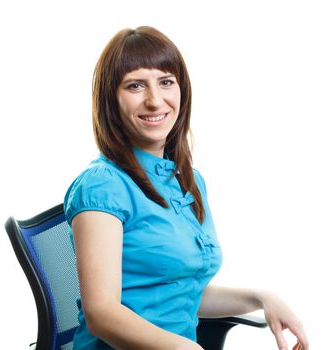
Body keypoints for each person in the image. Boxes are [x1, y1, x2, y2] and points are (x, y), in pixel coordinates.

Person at [64, 26, 309, 350]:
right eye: (135, 85)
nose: (155, 100)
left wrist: (262, 298)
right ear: (111, 99)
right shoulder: (102, 186)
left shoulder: (186, 180)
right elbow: (102, 314)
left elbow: (183, 291)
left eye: (166, 82)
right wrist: (185, 348)